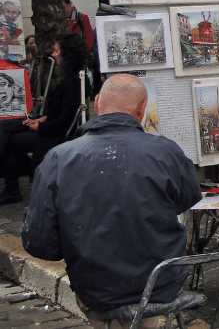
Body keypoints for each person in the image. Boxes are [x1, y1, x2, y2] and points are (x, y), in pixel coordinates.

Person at [21, 74, 202, 329]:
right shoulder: (166, 150)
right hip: (161, 285)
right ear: (142, 109)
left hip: (97, 289)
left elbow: (40, 244)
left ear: (96, 103)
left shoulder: (58, 159)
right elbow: (187, 199)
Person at [0, 32, 87, 204]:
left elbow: (63, 123)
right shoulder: (70, 78)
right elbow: (61, 112)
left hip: (52, 134)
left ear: (66, 54)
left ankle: (12, 191)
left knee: (7, 136)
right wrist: (41, 119)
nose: (53, 55)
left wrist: (39, 126)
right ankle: (11, 191)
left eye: (56, 51)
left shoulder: (73, 82)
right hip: (47, 125)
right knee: (4, 128)